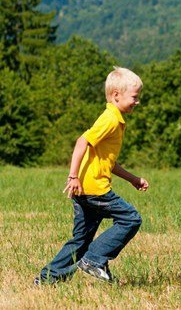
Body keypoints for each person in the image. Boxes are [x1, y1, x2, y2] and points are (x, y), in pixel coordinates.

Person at [35, 67, 149, 285]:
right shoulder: (110, 120)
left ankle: (47, 279)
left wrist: (133, 179)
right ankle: (94, 260)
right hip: (94, 188)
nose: (137, 102)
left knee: (81, 240)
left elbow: (109, 163)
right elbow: (82, 141)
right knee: (131, 218)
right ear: (116, 95)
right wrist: (72, 176)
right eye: (134, 97)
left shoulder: (114, 119)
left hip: (84, 189)